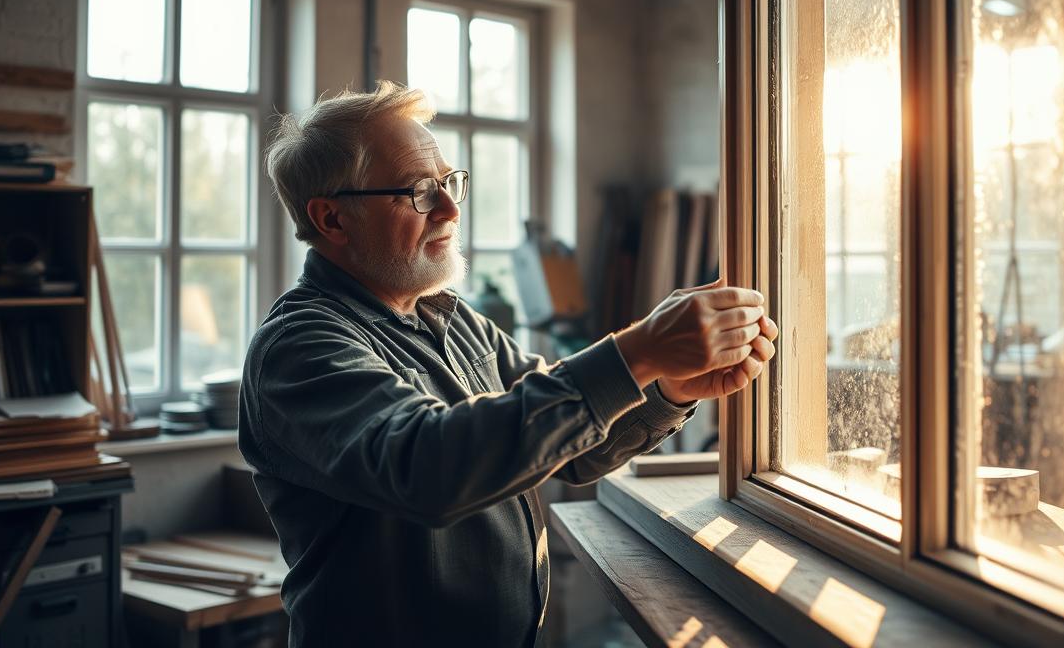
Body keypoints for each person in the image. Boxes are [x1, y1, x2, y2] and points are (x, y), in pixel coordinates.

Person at [240, 81, 777, 647]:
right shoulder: (300, 348)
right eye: (419, 192)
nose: (449, 208)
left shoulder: (451, 318)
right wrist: (635, 351)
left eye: (448, 182)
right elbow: (428, 467)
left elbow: (567, 446)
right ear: (332, 220)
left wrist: (664, 386)